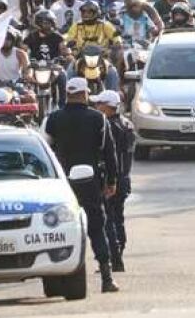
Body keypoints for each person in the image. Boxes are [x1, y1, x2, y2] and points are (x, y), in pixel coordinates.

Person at [43, 78, 120, 293]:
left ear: (67, 94)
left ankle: (57, 279)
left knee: (59, 228)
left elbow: (45, 151)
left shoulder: (53, 119)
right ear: (85, 94)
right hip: (91, 182)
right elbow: (109, 152)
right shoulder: (98, 119)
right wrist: (112, 181)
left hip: (62, 185)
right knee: (96, 227)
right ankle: (107, 277)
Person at [90, 90, 133, 273]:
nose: (96, 107)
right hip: (124, 178)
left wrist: (109, 181)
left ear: (108, 107)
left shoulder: (110, 127)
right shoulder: (126, 124)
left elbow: (110, 156)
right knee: (118, 218)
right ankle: (118, 256)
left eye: (99, 104)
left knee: (109, 220)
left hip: (113, 179)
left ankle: (114, 259)